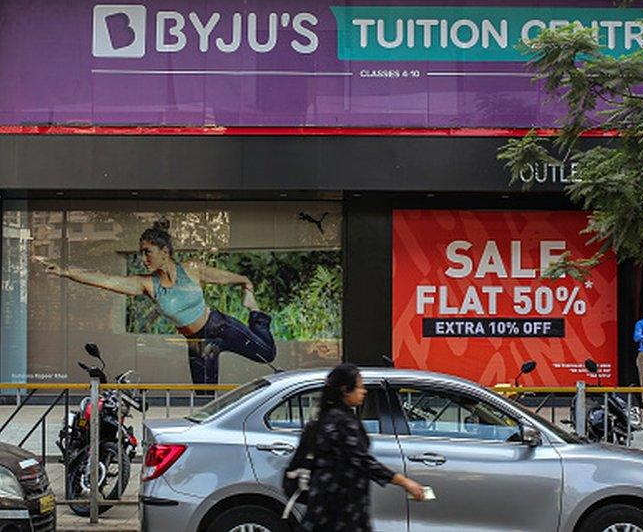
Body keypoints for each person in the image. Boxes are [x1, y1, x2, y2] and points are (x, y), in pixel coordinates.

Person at [34, 219, 277, 384]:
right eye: (141, 252)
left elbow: (221, 277)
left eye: (147, 251)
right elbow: (105, 280)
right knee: (205, 397)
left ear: (165, 251)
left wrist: (244, 280)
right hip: (197, 343)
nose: (143, 258)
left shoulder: (191, 270)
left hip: (220, 327)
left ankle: (255, 312)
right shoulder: (147, 285)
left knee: (267, 353)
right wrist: (66, 272)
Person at [299, 364, 425, 531]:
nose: (364, 391)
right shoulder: (341, 421)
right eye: (359, 386)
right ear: (345, 390)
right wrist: (404, 481)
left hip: (329, 502)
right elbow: (362, 460)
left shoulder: (330, 417)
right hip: (340, 506)